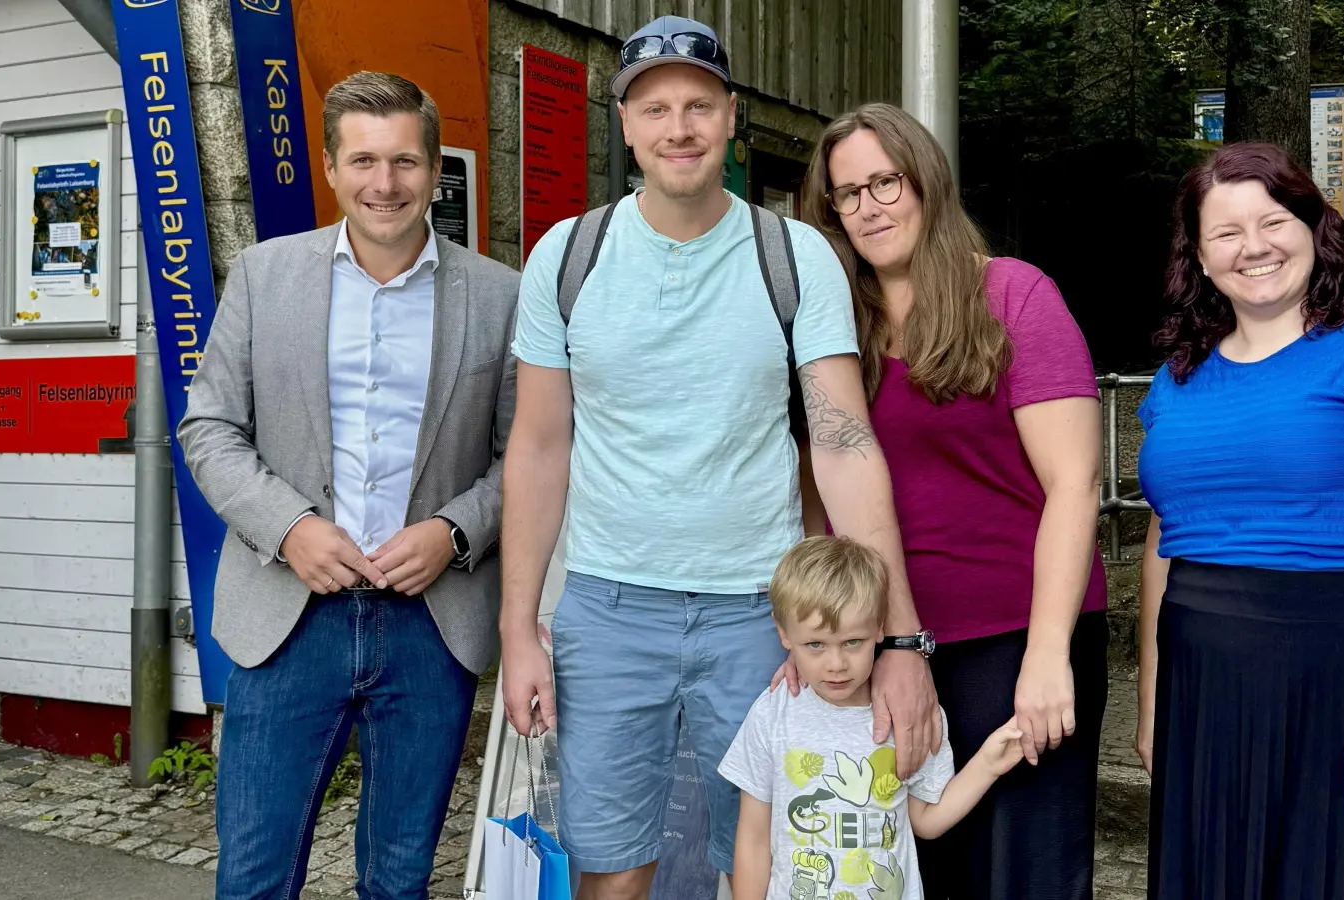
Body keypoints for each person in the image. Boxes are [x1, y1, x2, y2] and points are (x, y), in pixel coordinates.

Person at [498, 16, 938, 900]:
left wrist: (897, 637)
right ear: (623, 124)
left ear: (732, 116)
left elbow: (845, 446)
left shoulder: (794, 255)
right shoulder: (566, 256)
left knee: (772, 866)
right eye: (654, 108)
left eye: (699, 105)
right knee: (611, 870)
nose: (679, 128)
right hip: (609, 612)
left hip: (763, 619)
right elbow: (540, 446)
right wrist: (517, 630)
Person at [178, 72, 520, 900]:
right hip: (288, 614)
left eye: (404, 161)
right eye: (363, 160)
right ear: (332, 167)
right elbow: (207, 427)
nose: (385, 183)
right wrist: (290, 525)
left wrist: (456, 530)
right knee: (254, 878)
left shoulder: (502, 295)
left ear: (435, 167)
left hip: (430, 621)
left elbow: (531, 454)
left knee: (399, 880)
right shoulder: (264, 276)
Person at [793, 102, 1110, 900]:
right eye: (847, 194)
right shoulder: (834, 326)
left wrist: (1047, 656)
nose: (869, 208)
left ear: (925, 181)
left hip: (1017, 632)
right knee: (910, 865)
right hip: (884, 642)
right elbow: (816, 492)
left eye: (884, 183)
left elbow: (1076, 484)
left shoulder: (1012, 296)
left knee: (1027, 870)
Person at [1135, 141, 1344, 899]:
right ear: (1201, 257)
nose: (1253, 246)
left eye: (1273, 220)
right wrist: (1154, 702)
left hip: (1342, 680)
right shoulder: (1176, 379)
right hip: (1204, 690)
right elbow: (1165, 536)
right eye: (1226, 232)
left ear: (1314, 228)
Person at [722, 536, 1027, 900]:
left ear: (880, 628)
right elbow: (753, 839)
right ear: (784, 633)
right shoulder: (774, 712)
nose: (836, 664)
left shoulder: (908, 715)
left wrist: (989, 764)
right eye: (816, 645)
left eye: (853, 642)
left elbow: (927, 821)